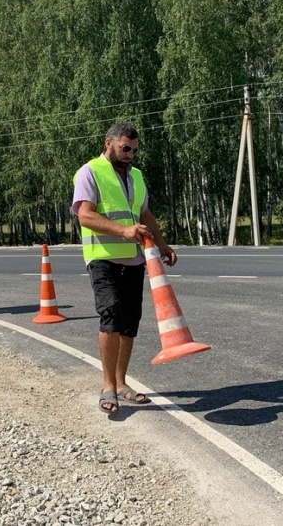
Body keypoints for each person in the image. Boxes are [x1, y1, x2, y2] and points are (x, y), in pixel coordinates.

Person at [73, 123, 177, 415]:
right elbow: (84, 215)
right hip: (102, 257)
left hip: (134, 259)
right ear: (109, 143)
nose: (130, 154)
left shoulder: (137, 177)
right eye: (125, 148)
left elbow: (144, 214)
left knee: (130, 321)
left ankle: (121, 383)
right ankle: (107, 385)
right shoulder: (89, 172)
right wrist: (123, 230)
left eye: (134, 149)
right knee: (111, 313)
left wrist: (162, 244)